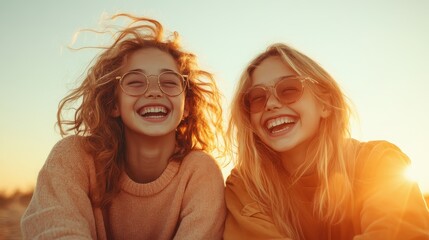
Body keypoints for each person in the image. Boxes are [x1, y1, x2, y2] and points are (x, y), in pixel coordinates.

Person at [21, 13, 226, 240]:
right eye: (136, 82)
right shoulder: (73, 156)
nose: (154, 91)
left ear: (186, 105)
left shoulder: (200, 172)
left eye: (169, 82)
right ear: (113, 104)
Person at [224, 43, 429, 239]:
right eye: (257, 98)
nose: (271, 104)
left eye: (288, 89)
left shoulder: (380, 163)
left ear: (325, 103)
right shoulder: (245, 186)